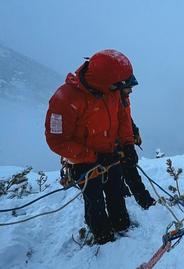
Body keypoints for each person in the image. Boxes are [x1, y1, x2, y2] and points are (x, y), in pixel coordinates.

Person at [45, 49, 138, 245]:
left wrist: (128, 144)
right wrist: (91, 156)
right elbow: (57, 141)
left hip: (110, 154)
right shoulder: (65, 98)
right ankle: (102, 237)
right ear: (104, 80)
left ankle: (122, 225)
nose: (120, 88)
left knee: (115, 190)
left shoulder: (110, 91)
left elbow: (122, 118)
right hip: (83, 161)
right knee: (94, 200)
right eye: (117, 84)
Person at [119, 86, 156, 209]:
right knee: (121, 175)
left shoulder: (122, 98)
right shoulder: (111, 100)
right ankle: (136, 201)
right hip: (117, 145)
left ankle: (143, 201)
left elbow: (127, 118)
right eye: (128, 87)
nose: (131, 90)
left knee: (130, 172)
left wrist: (134, 131)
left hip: (125, 142)